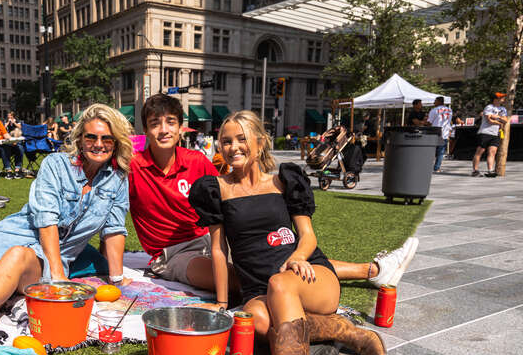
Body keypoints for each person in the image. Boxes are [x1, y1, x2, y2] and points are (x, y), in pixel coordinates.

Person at [189, 111, 386, 355]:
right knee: (258, 323)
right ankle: (343, 330)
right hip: (257, 289)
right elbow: (219, 252)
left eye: (241, 139)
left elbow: (307, 236)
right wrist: (222, 303)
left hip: (308, 277)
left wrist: (296, 258)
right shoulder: (216, 189)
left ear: (259, 142)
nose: (233, 146)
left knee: (281, 285)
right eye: (226, 140)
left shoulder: (284, 181)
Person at [128, 94, 418, 298]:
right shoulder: (131, 167)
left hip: (210, 238)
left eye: (170, 122)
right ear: (145, 129)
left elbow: (226, 190)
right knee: (240, 281)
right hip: (174, 253)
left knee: (271, 258)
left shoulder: (196, 161)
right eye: (155, 123)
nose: (163, 129)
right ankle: (361, 274)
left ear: (180, 127)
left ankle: (374, 270)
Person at [0, 104, 133, 348]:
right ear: (80, 139)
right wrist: (58, 276)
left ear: (116, 142)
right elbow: (46, 220)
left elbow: (114, 230)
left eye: (107, 138)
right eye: (91, 136)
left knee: (16, 259)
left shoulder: (118, 179)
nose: (98, 144)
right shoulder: (56, 164)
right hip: (9, 234)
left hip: (41, 255)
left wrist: (116, 277)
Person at [472, 92, 508, 178]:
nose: (503, 99)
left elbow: (505, 120)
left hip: (496, 134)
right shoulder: (489, 107)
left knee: (492, 152)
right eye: (501, 97)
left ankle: (490, 170)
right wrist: (499, 121)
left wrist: (495, 117)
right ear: (496, 99)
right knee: (480, 151)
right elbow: (489, 120)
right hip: (485, 132)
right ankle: (475, 170)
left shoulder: (503, 109)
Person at [427, 96, 453, 173]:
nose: (434, 102)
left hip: (435, 132)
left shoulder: (434, 110)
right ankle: (437, 168)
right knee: (441, 152)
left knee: (431, 150)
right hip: (445, 132)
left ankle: (428, 166)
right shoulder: (449, 110)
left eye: (435, 101)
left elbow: (429, 122)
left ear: (439, 101)